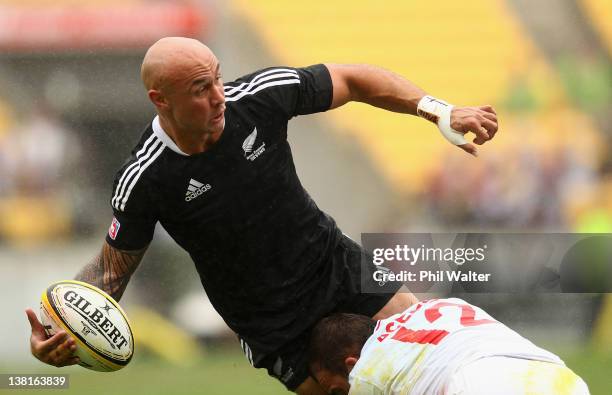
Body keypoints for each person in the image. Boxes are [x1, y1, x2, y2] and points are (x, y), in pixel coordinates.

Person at [25, 37, 498, 394]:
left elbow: (352, 80)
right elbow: (110, 273)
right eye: (198, 88)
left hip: (333, 265)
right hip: (273, 323)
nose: (217, 96)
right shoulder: (146, 177)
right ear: (160, 100)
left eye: (216, 78)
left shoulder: (258, 98)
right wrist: (57, 330)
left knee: (428, 355)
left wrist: (437, 111)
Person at [308, 298, 590, 395]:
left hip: (482, 386)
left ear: (351, 363)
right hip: (562, 379)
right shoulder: (441, 306)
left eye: (336, 391)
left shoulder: (365, 373)